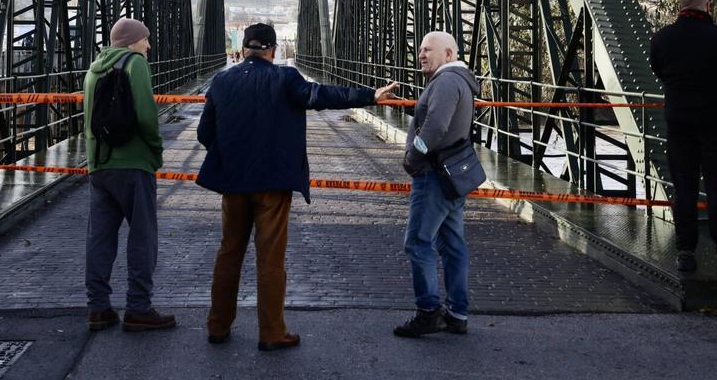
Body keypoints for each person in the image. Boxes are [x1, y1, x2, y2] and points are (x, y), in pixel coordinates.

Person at [196, 22, 398, 351]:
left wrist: (230, 156)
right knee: (270, 259)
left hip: (233, 184)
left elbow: (204, 133)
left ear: (244, 49)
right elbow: (321, 95)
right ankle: (272, 332)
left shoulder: (222, 80)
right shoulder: (285, 78)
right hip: (273, 185)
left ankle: (217, 326)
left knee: (229, 252)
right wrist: (370, 95)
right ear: (273, 50)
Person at [649, 0, 717, 275]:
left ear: (680, 8)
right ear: (707, 7)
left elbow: (659, 71)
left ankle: (685, 254)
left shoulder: (661, 40)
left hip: (678, 125)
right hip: (715, 126)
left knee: (684, 190)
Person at [83, 17, 177, 333]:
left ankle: (98, 308)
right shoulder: (135, 64)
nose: (148, 45)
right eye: (145, 39)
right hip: (133, 164)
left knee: (99, 239)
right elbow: (147, 116)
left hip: (100, 166)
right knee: (142, 237)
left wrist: (94, 160)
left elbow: (87, 122)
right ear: (131, 41)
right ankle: (138, 308)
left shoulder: (93, 70)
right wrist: (156, 151)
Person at [393, 31, 479, 338]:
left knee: (418, 242)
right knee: (453, 245)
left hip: (433, 176)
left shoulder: (445, 82)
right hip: (451, 177)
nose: (421, 55)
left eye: (429, 49)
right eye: (420, 49)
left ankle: (428, 312)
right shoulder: (459, 80)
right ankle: (457, 313)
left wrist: (413, 156)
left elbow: (436, 126)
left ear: (449, 54)